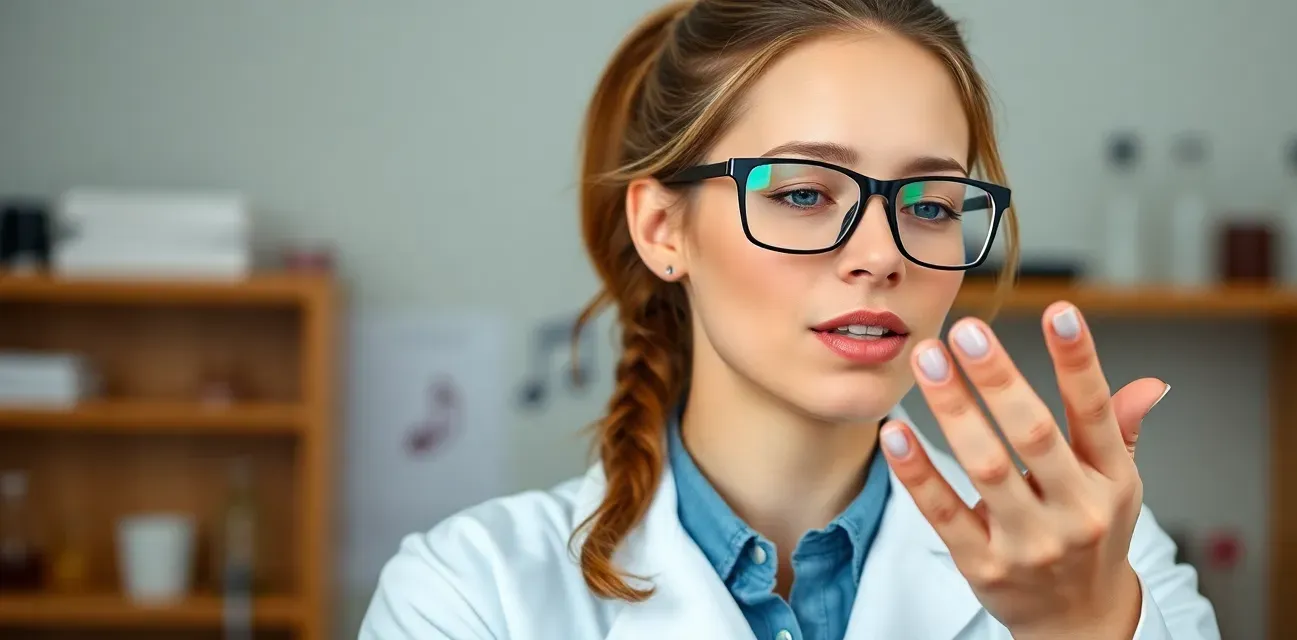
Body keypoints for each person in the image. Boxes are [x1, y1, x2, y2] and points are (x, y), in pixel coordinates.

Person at [360, 0, 1221, 638]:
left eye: (930, 205)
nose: (882, 254)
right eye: (805, 192)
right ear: (664, 229)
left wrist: (1083, 631)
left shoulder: (1102, 562)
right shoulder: (470, 592)